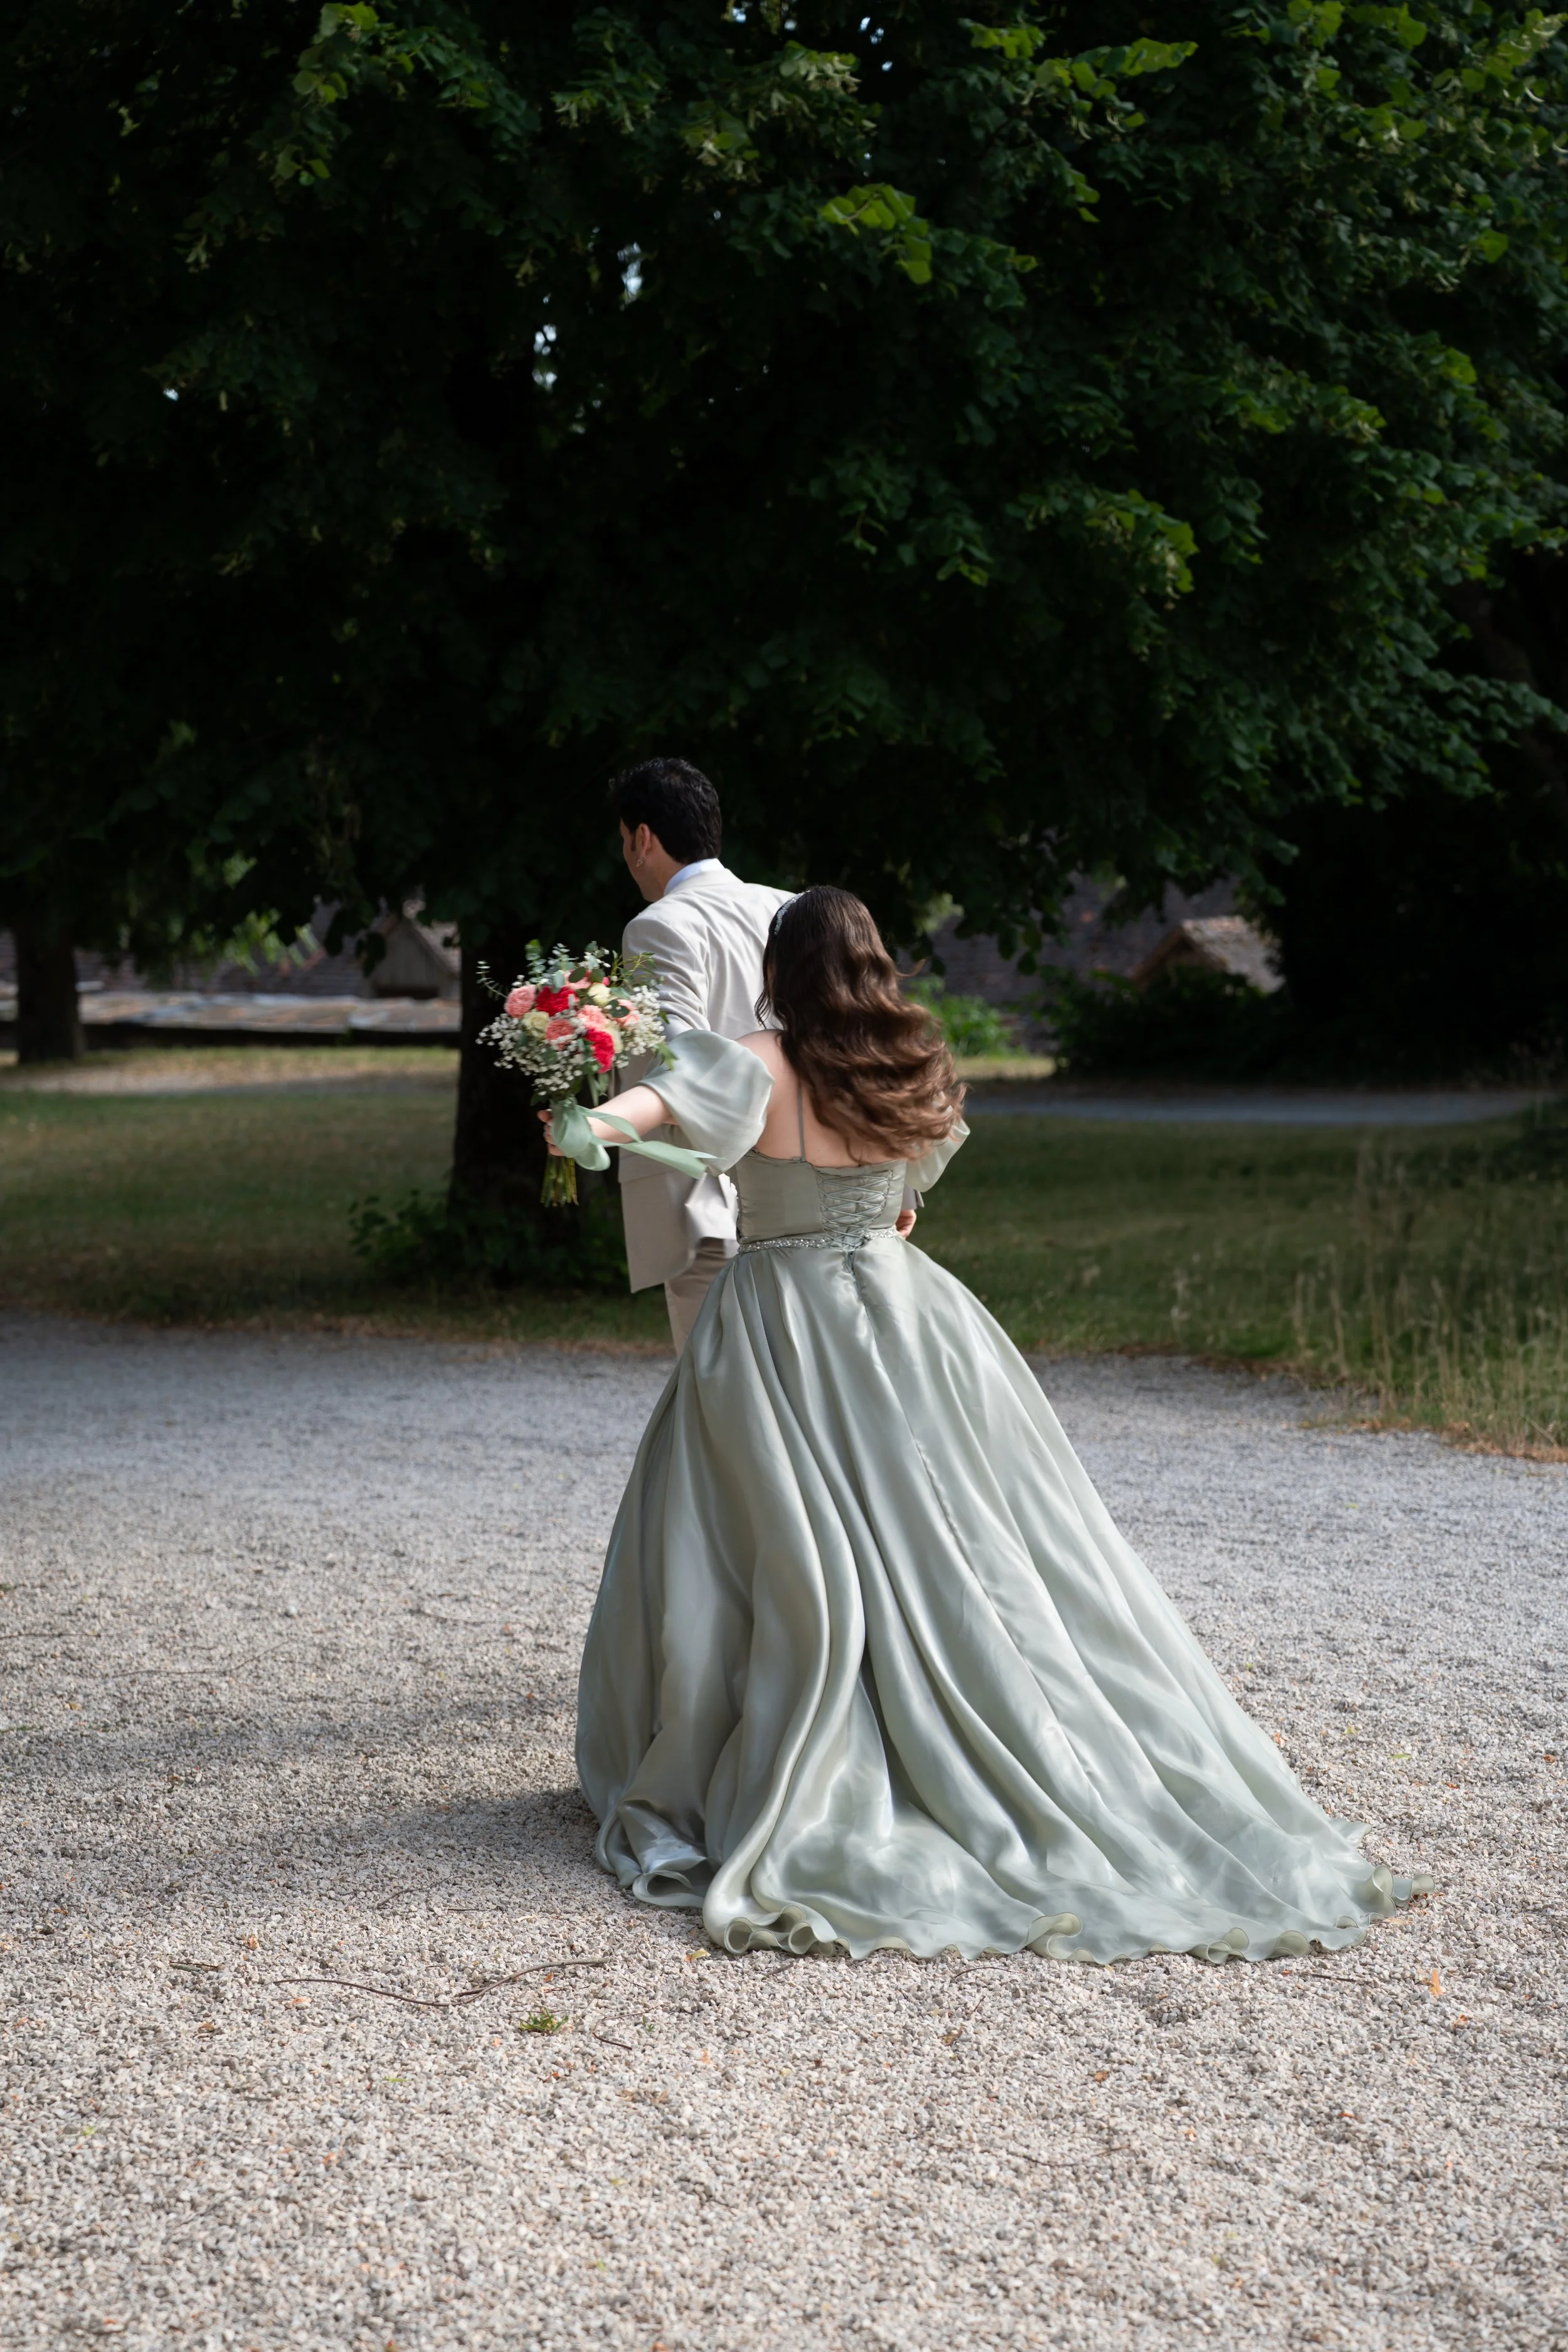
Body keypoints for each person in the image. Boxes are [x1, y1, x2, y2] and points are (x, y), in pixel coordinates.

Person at [554, 887, 1434, 1963]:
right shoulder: (908, 1064)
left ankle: (778, 1738)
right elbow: (906, 1207)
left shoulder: (757, 1060)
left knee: (753, 1542)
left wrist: (583, 1121)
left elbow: (633, 1118)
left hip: (784, 1326)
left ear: (782, 969)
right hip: (910, 1317)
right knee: (958, 1535)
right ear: (872, 967)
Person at [608, 758, 793, 1352]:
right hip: (809, 1195)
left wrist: (600, 1122)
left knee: (720, 1400)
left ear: (642, 839)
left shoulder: (659, 926)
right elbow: (849, 1048)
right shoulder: (791, 910)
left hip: (710, 1202)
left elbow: (681, 1070)